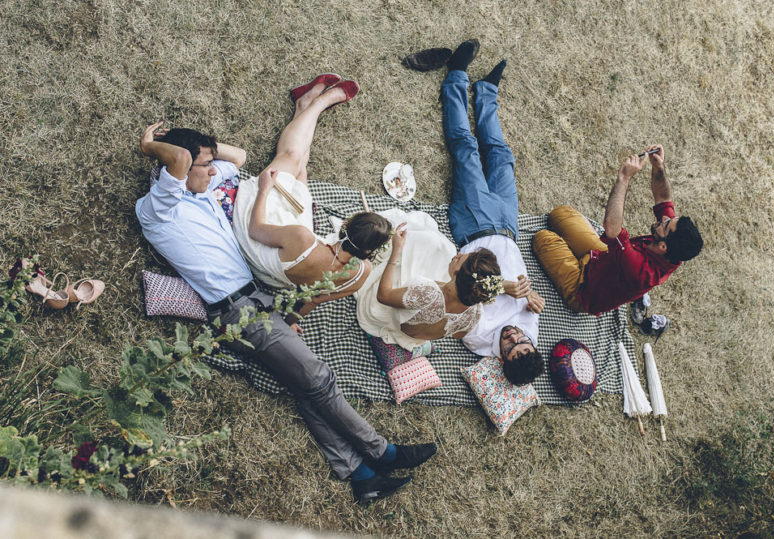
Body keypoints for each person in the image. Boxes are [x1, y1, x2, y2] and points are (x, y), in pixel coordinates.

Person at [134, 85, 436, 503]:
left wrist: (208, 150)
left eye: (206, 163)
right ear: (178, 168)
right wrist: (153, 145)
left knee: (304, 386)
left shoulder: (199, 189)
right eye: (203, 165)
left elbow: (235, 158)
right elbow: (182, 159)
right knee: (317, 377)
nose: (211, 170)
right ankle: (381, 450)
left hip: (254, 301)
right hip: (235, 312)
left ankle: (359, 474)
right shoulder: (158, 207)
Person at [230, 75, 391, 320]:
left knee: (292, 156)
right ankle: (304, 107)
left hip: (256, 245)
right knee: (300, 174)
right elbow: (313, 298)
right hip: (283, 272)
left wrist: (263, 189)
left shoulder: (303, 237)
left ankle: (318, 103)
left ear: (345, 224)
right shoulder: (361, 273)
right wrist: (293, 321)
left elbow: (255, 229)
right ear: (372, 250)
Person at [440, 41, 546, 386]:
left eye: (512, 346)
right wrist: (532, 299)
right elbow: (528, 304)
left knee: (466, 149)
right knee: (501, 155)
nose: (515, 335)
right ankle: (486, 91)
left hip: (476, 228)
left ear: (501, 359)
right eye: (524, 341)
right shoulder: (530, 329)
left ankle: (455, 75)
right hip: (508, 225)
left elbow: (459, 287)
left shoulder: (478, 337)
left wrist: (503, 288)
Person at [532, 145, 704, 316]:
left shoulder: (640, 271)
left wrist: (624, 178)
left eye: (666, 224)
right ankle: (579, 248)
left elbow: (612, 230)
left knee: (543, 238)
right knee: (561, 214)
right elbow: (663, 198)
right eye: (670, 219)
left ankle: (571, 258)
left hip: (583, 290)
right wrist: (658, 166)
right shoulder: (673, 245)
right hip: (601, 257)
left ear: (663, 247)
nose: (664, 218)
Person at [355, 207, 503, 352]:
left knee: (421, 241)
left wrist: (396, 251)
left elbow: (383, 296)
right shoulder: (475, 313)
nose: (457, 254)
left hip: (384, 316)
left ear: (458, 273)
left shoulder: (428, 292)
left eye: (460, 258)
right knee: (440, 247)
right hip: (414, 338)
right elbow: (458, 334)